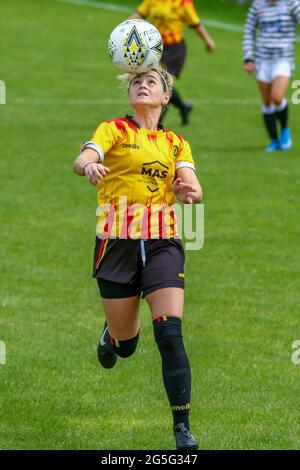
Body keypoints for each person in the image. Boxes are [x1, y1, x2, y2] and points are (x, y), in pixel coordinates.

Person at [73, 64, 203, 450]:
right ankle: (113, 336)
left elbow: (193, 185)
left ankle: (182, 427)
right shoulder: (113, 129)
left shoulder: (177, 142)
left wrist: (188, 191)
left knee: (169, 332)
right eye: (136, 82)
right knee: (126, 344)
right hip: (116, 242)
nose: (142, 85)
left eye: (152, 82)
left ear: (166, 97)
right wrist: (90, 165)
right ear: (130, 94)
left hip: (162, 241)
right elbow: (82, 159)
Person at [129, 0, 216, 125]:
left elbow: (195, 23)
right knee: (161, 82)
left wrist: (208, 40)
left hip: (175, 48)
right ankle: (182, 107)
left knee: (160, 81)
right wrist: (124, 27)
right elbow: (139, 14)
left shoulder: (183, 2)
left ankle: (156, 122)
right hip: (155, 47)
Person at [243, 0, 300, 152]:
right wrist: (248, 57)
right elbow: (249, 30)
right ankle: (274, 141)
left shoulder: (292, 4)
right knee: (267, 102)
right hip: (262, 60)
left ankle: (285, 130)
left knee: (277, 97)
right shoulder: (258, 5)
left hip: (283, 59)